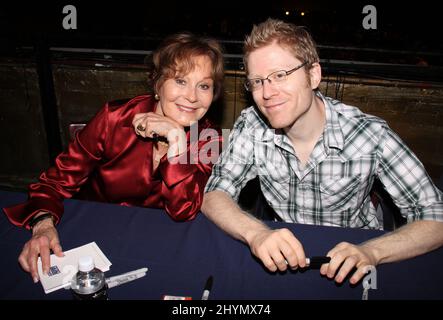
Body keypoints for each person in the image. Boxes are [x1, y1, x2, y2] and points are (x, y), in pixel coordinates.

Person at [202, 18, 443, 285]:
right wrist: (256, 233)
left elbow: (437, 217)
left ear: (313, 75)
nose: (267, 92)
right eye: (257, 82)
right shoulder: (251, 125)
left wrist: (372, 251)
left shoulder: (368, 134)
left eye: (280, 75)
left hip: (354, 257)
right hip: (283, 250)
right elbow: (215, 193)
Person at [3, 32, 224, 283]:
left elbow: (183, 210)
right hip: (94, 234)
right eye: (181, 81)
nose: (193, 97)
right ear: (157, 83)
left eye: (204, 85)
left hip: (160, 242)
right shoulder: (114, 119)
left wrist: (176, 140)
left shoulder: (210, 136)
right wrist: (43, 225)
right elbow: (53, 183)